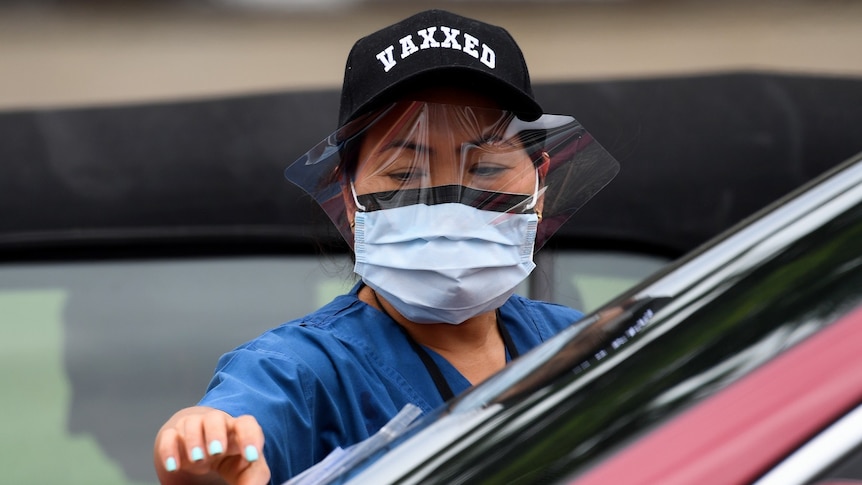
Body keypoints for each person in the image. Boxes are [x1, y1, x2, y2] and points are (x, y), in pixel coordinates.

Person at [153, 9, 619, 485]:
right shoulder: (299, 373)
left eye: (486, 171)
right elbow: (236, 426)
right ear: (348, 198)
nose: (450, 209)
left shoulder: (586, 350)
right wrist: (204, 445)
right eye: (403, 176)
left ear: (539, 187)